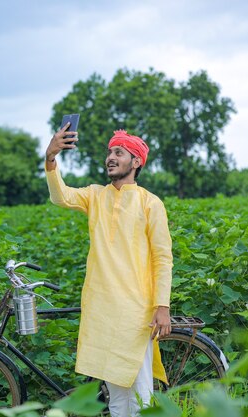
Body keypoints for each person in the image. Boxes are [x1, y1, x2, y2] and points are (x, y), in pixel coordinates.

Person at [44, 124, 173, 417]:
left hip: (136, 310)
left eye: (119, 152)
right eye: (109, 152)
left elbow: (162, 258)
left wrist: (161, 306)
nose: (110, 158)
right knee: (115, 395)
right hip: (103, 309)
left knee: (140, 393)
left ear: (136, 162)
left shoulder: (150, 203)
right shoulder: (95, 196)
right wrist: (51, 158)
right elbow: (61, 196)